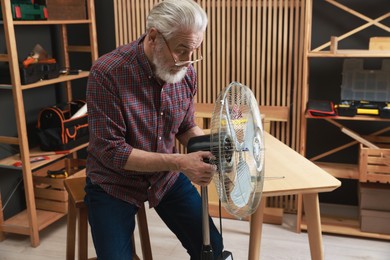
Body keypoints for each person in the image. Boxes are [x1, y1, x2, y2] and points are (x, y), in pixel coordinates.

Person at [84, 0, 224, 259]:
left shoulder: (186, 72)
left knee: (213, 250)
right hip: (113, 182)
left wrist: (212, 147)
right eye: (182, 50)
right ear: (153, 36)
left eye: (194, 51)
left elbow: (185, 126)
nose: (187, 61)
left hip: (164, 177)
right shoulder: (107, 73)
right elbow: (112, 152)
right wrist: (181, 162)